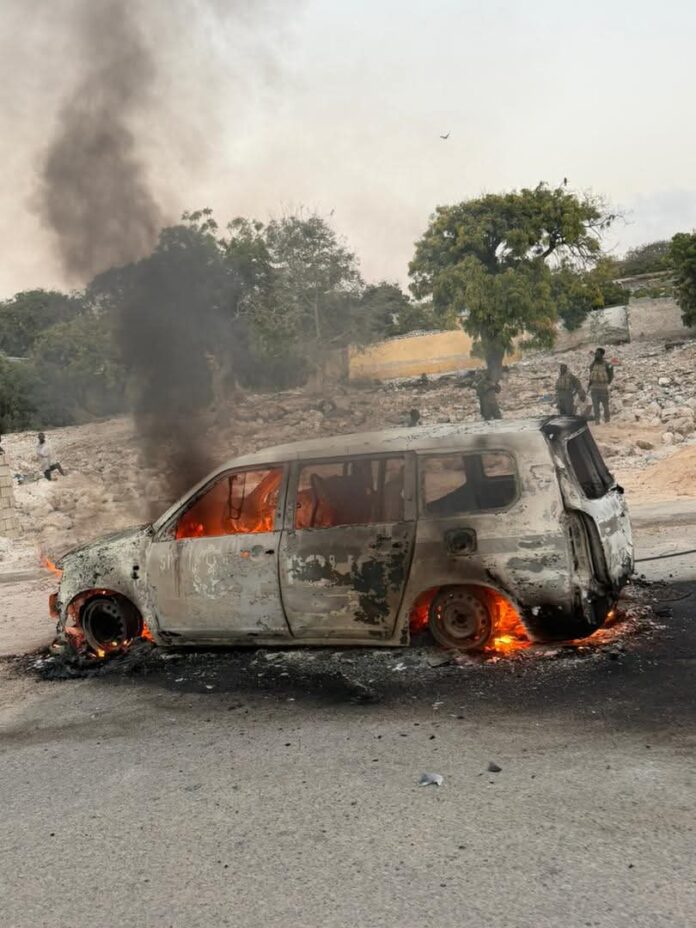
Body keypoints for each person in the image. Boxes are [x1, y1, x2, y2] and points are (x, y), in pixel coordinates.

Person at [587, 348, 614, 423]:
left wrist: (607, 383)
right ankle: (597, 421)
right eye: (595, 353)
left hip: (603, 388)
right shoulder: (593, 364)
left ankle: (607, 421)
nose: (596, 355)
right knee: (595, 406)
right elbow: (591, 375)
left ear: (602, 354)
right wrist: (589, 385)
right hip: (594, 388)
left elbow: (611, 374)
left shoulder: (607, 364)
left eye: (598, 353)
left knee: (605, 405)